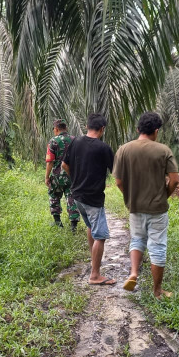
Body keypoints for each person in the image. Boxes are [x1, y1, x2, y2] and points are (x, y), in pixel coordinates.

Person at [113, 112, 179, 298]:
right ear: (156, 131)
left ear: (138, 129)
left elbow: (118, 181)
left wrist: (130, 196)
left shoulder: (123, 150)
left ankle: (134, 273)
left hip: (135, 207)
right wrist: (164, 195)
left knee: (137, 240)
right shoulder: (163, 150)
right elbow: (174, 181)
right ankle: (157, 291)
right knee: (157, 246)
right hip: (157, 209)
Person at [62, 113, 116, 286]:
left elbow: (64, 165)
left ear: (87, 126)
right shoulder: (103, 148)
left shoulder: (75, 142)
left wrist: (76, 179)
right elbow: (115, 172)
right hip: (93, 198)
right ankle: (95, 275)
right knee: (100, 235)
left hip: (77, 196)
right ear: (102, 129)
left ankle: (94, 263)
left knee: (90, 227)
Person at [45, 119, 80, 231]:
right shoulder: (75, 140)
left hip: (57, 176)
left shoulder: (53, 141)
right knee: (72, 197)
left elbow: (50, 161)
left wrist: (46, 177)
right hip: (71, 175)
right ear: (66, 128)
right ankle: (74, 225)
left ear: (56, 129)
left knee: (54, 195)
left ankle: (58, 223)